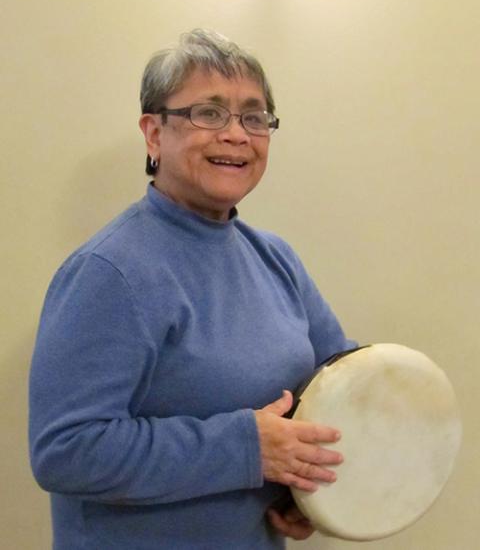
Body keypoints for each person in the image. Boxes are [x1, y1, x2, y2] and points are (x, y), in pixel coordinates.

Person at [29, 29, 354, 549]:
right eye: (208, 112)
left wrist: (301, 490)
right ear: (154, 133)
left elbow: (344, 386)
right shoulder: (108, 271)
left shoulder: (275, 258)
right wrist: (246, 448)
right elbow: (67, 450)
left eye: (254, 116)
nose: (236, 134)